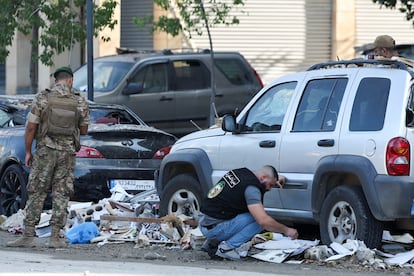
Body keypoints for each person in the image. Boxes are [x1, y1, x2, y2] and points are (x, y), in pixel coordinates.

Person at [7, 66, 90, 248]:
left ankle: (28, 235)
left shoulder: (43, 97)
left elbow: (31, 127)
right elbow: (84, 129)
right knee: (61, 193)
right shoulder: (79, 101)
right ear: (70, 81)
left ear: (55, 80)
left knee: (37, 191)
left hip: (45, 151)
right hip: (67, 152)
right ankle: (55, 237)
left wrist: (28, 151)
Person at [198, 165, 299, 260]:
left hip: (205, 220)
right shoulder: (252, 189)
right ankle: (226, 248)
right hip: (213, 228)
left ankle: (212, 243)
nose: (269, 189)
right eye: (270, 185)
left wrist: (276, 179)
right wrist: (287, 230)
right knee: (258, 221)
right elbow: (263, 221)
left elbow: (264, 178)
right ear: (263, 177)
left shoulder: (240, 173)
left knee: (244, 212)